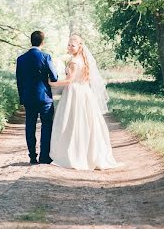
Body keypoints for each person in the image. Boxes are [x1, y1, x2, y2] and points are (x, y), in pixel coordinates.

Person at [49, 34, 118, 170]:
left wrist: (51, 83)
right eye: (68, 44)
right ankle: (87, 154)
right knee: (84, 122)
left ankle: (75, 154)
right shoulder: (83, 60)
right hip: (85, 92)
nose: (69, 47)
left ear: (79, 46)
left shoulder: (74, 62)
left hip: (74, 92)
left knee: (73, 122)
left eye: (72, 45)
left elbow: (69, 81)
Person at [16, 30, 58, 164]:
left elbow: (19, 81)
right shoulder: (46, 57)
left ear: (31, 41)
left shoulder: (21, 59)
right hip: (44, 97)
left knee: (30, 125)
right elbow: (54, 77)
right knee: (46, 126)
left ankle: (32, 156)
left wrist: (22, 98)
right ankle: (44, 156)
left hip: (28, 97)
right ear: (43, 42)